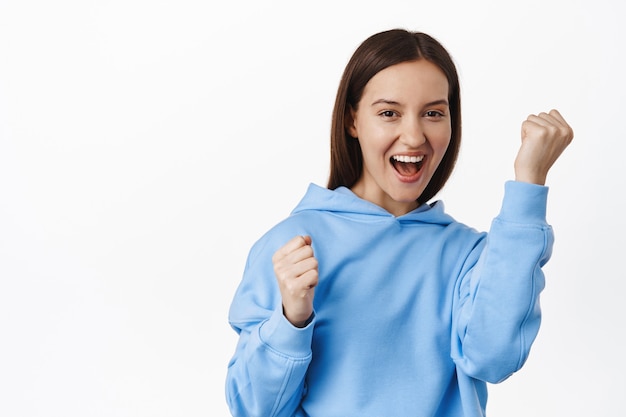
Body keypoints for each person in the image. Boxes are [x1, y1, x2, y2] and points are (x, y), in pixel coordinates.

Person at [224, 28, 573, 417]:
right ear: (352, 120)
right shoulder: (293, 245)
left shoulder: (469, 256)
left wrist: (528, 184)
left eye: (433, 113)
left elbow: (495, 358)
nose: (413, 136)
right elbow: (255, 410)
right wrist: (291, 319)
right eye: (389, 112)